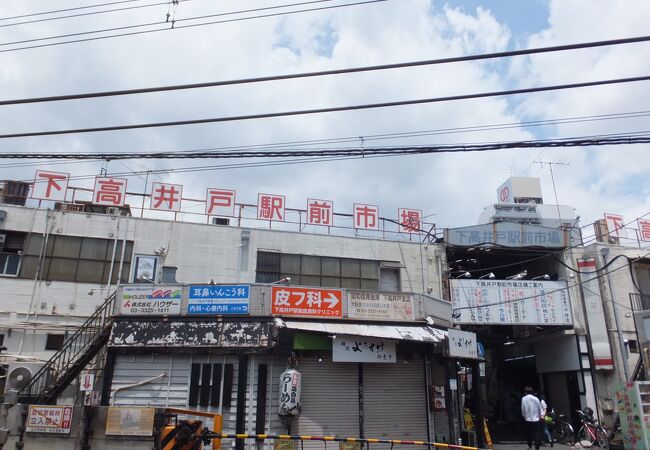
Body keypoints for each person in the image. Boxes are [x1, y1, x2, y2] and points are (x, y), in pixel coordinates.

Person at [521, 386, 543, 450]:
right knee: (537, 433)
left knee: (528, 433)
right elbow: (539, 408)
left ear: (525, 392)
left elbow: (523, 408)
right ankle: (537, 448)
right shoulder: (536, 398)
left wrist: (524, 415)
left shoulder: (524, 398)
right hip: (536, 419)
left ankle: (530, 445)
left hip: (527, 419)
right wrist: (540, 416)